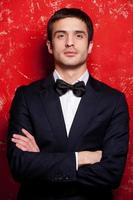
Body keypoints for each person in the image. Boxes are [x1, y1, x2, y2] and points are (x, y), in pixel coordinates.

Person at [7, 8, 129, 200]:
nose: (70, 43)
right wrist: (81, 159)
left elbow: (111, 174)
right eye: (61, 35)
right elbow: (20, 166)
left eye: (78, 36)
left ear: (90, 46)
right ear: (49, 45)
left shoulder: (114, 101)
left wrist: (42, 162)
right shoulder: (26, 97)